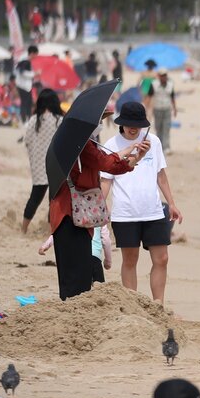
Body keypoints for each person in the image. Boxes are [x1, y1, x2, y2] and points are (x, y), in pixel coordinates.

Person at [49, 97, 148, 300]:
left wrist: (132, 160)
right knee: (75, 273)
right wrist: (127, 153)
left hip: (76, 213)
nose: (100, 124)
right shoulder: (81, 145)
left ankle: (73, 308)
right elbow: (104, 163)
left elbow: (107, 163)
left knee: (79, 269)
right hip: (70, 213)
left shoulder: (84, 144)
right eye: (99, 120)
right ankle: (73, 311)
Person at [102, 102, 181, 305]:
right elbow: (106, 180)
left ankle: (159, 305)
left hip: (153, 210)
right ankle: (133, 307)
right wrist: (102, 206)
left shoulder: (153, 141)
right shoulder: (111, 145)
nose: (133, 127)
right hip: (125, 213)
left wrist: (171, 203)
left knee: (162, 258)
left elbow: (160, 174)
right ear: (122, 123)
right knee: (130, 260)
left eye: (137, 124)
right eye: (129, 123)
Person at [18, 89, 63, 234]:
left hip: (38, 165)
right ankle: (52, 230)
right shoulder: (59, 120)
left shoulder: (33, 120)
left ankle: (23, 228)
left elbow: (27, 141)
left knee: (35, 197)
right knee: (54, 200)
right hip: (55, 165)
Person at [147, 67, 177, 153]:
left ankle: (166, 147)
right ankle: (159, 146)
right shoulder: (154, 84)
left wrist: (175, 109)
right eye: (162, 75)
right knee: (158, 128)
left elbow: (172, 97)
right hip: (157, 109)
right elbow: (149, 97)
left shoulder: (170, 85)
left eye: (165, 75)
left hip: (167, 109)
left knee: (166, 128)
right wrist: (148, 110)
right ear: (159, 76)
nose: (164, 77)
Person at [14, 46, 36, 121]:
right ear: (32, 53)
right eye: (35, 55)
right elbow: (22, 73)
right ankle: (24, 120)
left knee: (28, 103)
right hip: (23, 86)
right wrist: (34, 74)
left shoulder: (26, 61)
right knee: (25, 103)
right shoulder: (25, 61)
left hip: (26, 86)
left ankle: (27, 119)